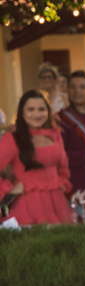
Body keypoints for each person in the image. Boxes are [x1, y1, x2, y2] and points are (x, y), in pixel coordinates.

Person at [0, 90, 73, 225]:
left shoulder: (54, 133)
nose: (37, 114)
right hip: (28, 205)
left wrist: (61, 182)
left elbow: (63, 166)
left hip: (58, 204)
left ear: (48, 111)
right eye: (31, 109)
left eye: (41, 109)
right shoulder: (13, 138)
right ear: (22, 112)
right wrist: (10, 189)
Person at [58, 70, 85, 194]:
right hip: (77, 182)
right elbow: (61, 155)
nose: (77, 91)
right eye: (73, 87)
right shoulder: (61, 119)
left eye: (82, 87)